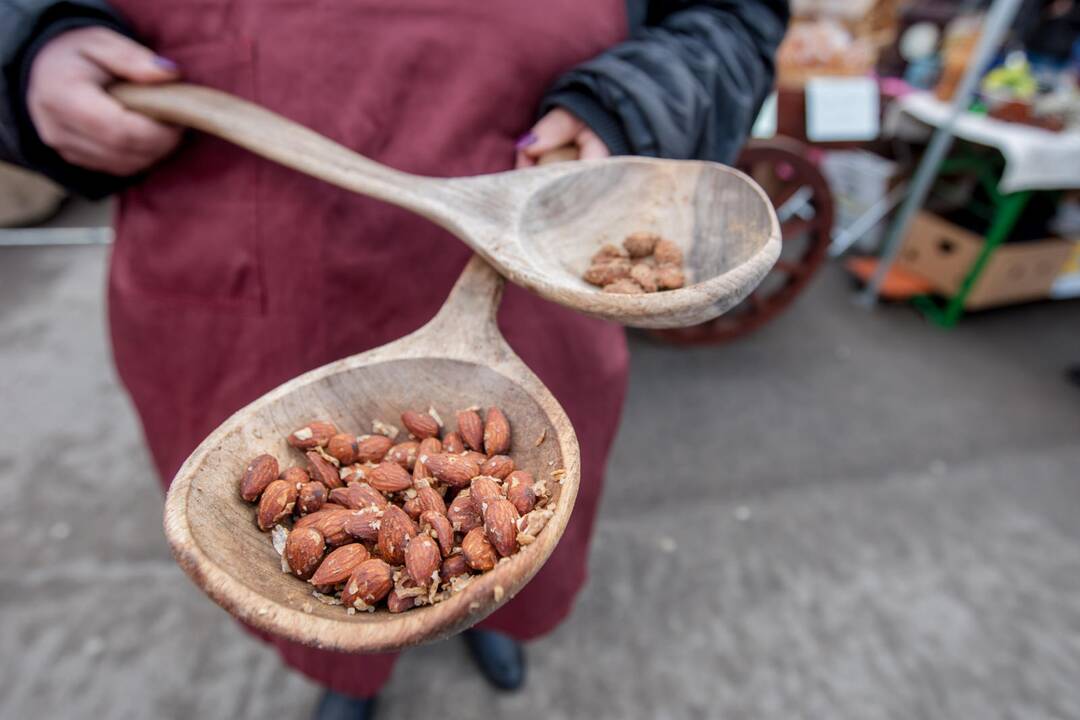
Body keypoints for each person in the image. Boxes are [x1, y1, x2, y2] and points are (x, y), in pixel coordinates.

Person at [0, 2, 787, 718]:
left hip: (532, 234)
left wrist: (635, 100)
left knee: (509, 533)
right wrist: (30, 46)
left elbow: (730, 16)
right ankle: (342, 677)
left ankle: (486, 616)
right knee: (317, 574)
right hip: (237, 254)